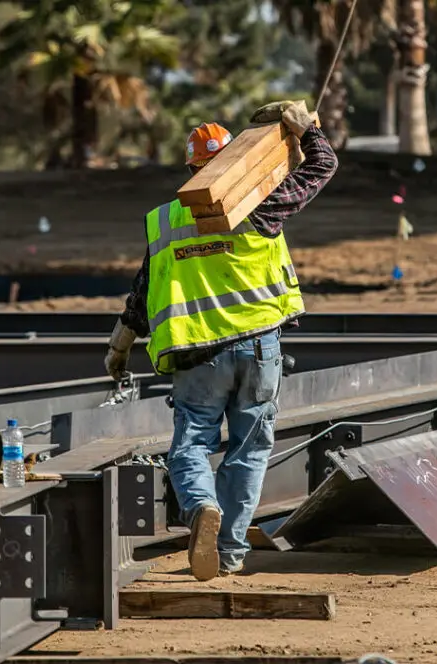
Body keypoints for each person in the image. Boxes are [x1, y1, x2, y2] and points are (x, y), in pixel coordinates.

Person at [104, 100, 339, 581]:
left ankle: (201, 508)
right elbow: (324, 167)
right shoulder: (260, 205)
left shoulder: (167, 220)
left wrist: (121, 343)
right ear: (234, 160)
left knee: (190, 445)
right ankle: (229, 554)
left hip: (197, 353)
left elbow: (144, 289)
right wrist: (306, 129)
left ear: (191, 168)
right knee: (249, 450)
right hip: (258, 347)